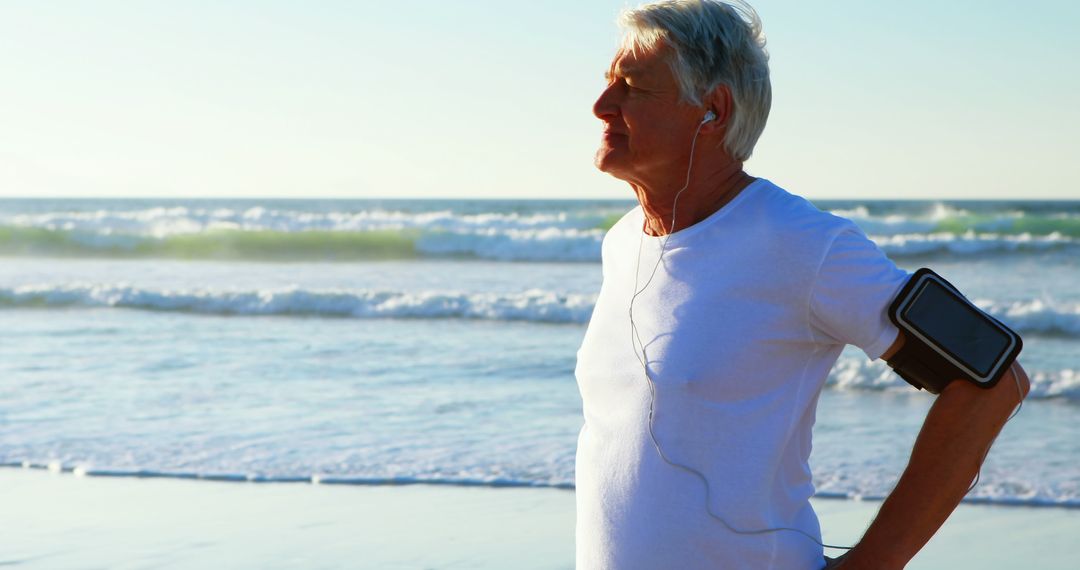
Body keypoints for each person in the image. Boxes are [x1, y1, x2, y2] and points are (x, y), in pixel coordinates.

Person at [573, 1, 1030, 568]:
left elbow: (994, 379)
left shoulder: (804, 244)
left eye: (633, 87)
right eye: (608, 83)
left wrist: (873, 562)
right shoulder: (622, 242)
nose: (601, 105)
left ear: (712, 111)